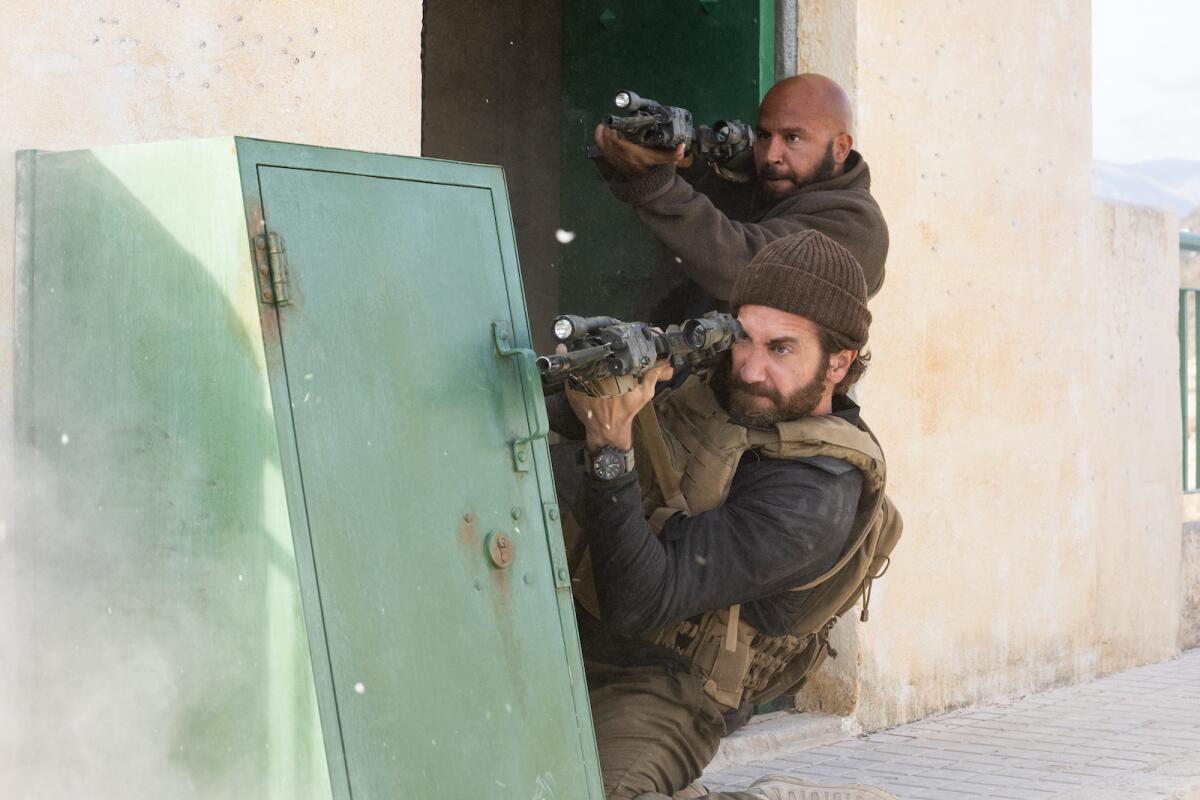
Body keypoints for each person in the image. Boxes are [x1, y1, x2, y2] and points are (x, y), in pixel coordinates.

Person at [551, 231, 901, 800]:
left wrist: (610, 443)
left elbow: (640, 603)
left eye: (781, 349)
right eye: (744, 338)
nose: (750, 367)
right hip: (565, 629)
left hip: (664, 683)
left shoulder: (814, 496)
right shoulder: (712, 383)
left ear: (838, 363)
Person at [593, 74, 889, 323]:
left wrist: (654, 183)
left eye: (792, 138)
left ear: (840, 148)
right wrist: (673, 158)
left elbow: (744, 266)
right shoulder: (770, 186)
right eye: (764, 136)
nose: (772, 155)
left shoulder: (858, 226)